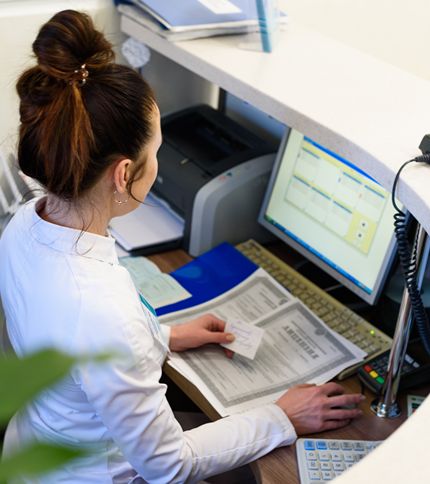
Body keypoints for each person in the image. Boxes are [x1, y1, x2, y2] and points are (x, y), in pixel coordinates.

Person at [0, 10, 364, 483]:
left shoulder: (25, 223)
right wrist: (282, 417)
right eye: (156, 151)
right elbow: (169, 466)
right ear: (124, 174)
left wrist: (165, 337)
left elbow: (70, 343)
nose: (160, 163)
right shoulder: (102, 309)